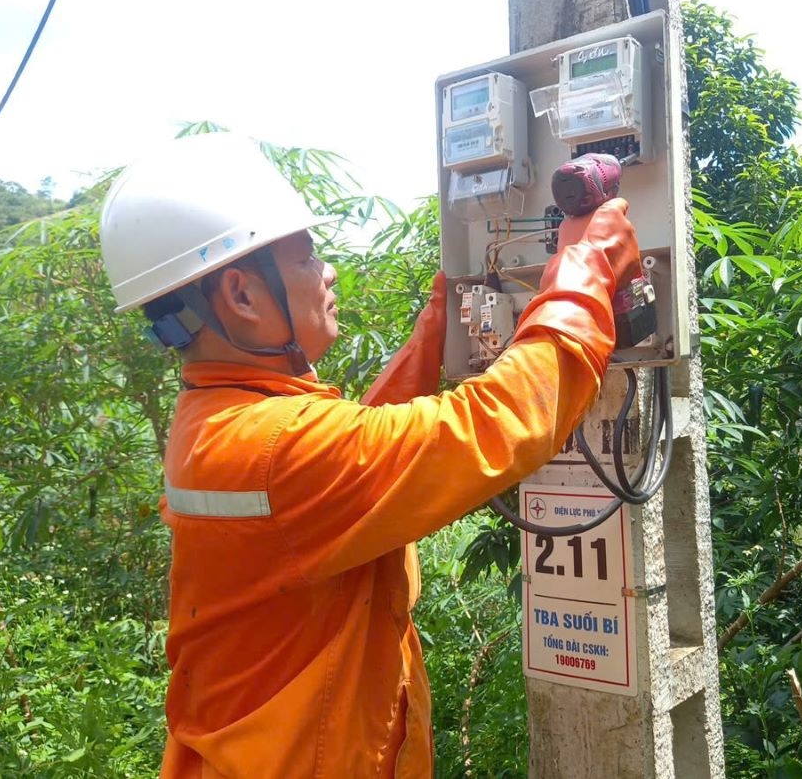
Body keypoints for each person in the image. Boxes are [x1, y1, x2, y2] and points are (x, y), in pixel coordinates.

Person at [99, 132, 640, 778]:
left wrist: (427, 346)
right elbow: (495, 427)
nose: (327, 271)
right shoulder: (274, 449)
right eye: (306, 258)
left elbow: (346, 474)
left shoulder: (215, 420)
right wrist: (588, 270)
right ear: (243, 297)